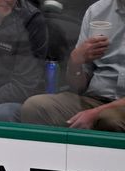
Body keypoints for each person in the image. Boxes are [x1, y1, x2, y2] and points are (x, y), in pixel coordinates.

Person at [20, 0, 125, 131]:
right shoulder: (97, 11)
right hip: (94, 99)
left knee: (108, 120)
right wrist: (75, 61)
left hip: (117, 108)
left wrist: (97, 112)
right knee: (35, 107)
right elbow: (77, 87)